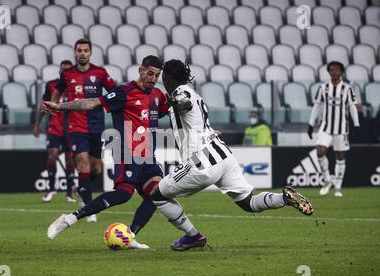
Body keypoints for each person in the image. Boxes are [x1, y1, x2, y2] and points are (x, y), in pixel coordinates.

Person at [147, 60, 312, 251]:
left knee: (157, 194)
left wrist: (174, 102)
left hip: (202, 161)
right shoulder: (196, 94)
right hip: (223, 155)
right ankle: (284, 198)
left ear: (167, 78)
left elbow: (184, 103)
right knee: (248, 202)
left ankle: (193, 236)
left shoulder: (180, 93)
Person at [44, 55, 173, 249]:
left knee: (157, 194)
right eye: (150, 73)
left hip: (148, 155)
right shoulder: (124, 92)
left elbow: (169, 109)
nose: (153, 78)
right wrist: (61, 106)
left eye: (157, 75)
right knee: (123, 194)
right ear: (140, 70)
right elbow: (92, 103)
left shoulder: (157, 96)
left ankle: (129, 236)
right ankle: (69, 219)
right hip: (127, 152)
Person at [51, 38, 116, 222]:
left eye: (85, 50)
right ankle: (90, 209)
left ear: (90, 53)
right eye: (79, 50)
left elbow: (114, 92)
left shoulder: (100, 73)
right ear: (75, 53)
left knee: (96, 167)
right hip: (75, 126)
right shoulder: (67, 74)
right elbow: (57, 91)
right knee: (82, 163)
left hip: (96, 125)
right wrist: (55, 106)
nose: (82, 53)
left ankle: (82, 190)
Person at [307, 61, 360, 198]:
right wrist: (311, 123)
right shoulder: (323, 87)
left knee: (340, 157)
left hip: (341, 128)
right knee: (320, 151)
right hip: (326, 127)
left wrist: (357, 124)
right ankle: (327, 180)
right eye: (331, 70)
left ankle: (338, 187)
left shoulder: (347, 89)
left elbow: (353, 107)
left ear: (341, 72)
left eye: (336, 70)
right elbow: (317, 106)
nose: (334, 72)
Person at [34, 60, 76, 203]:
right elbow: (44, 105)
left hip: (71, 128)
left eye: (68, 70)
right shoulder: (51, 85)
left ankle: (69, 193)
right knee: (52, 155)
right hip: (54, 127)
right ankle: (51, 188)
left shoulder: (76, 87)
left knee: (70, 158)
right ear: (59, 71)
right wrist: (37, 124)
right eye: (63, 70)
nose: (65, 72)